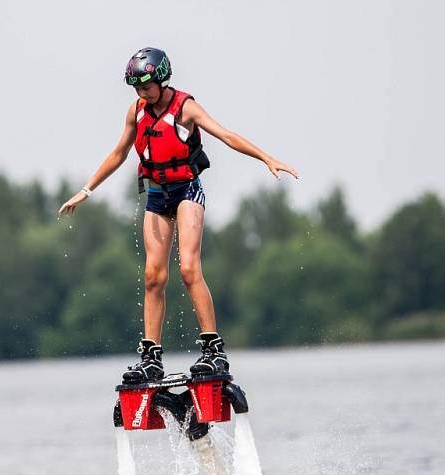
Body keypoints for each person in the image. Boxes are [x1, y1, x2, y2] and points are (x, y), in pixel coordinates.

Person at [58, 47, 298, 382]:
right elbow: (119, 153)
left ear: (161, 78)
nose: (141, 93)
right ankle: (151, 357)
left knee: (187, 268)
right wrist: (86, 191)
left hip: (186, 192)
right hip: (156, 196)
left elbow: (226, 135)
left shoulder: (185, 108)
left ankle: (213, 352)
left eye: (145, 86)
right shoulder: (136, 111)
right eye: (136, 88)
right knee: (153, 276)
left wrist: (266, 158)